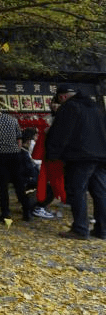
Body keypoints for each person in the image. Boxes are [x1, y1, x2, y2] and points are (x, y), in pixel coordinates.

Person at [45, 83, 106, 240]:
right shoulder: (95, 107)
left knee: (77, 191)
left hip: (80, 156)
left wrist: (52, 154)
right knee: (100, 193)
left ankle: (80, 228)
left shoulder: (69, 107)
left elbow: (61, 133)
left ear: (62, 96)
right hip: (100, 155)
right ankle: (102, 229)